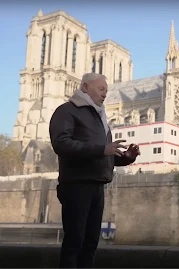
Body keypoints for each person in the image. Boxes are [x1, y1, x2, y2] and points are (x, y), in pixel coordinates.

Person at [49, 73, 140, 268]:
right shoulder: (67, 111)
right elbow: (61, 144)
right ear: (85, 87)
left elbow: (102, 156)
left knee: (90, 243)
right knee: (75, 241)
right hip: (77, 185)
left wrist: (125, 159)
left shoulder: (100, 118)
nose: (105, 94)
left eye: (106, 90)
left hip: (97, 186)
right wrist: (102, 149)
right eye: (101, 89)